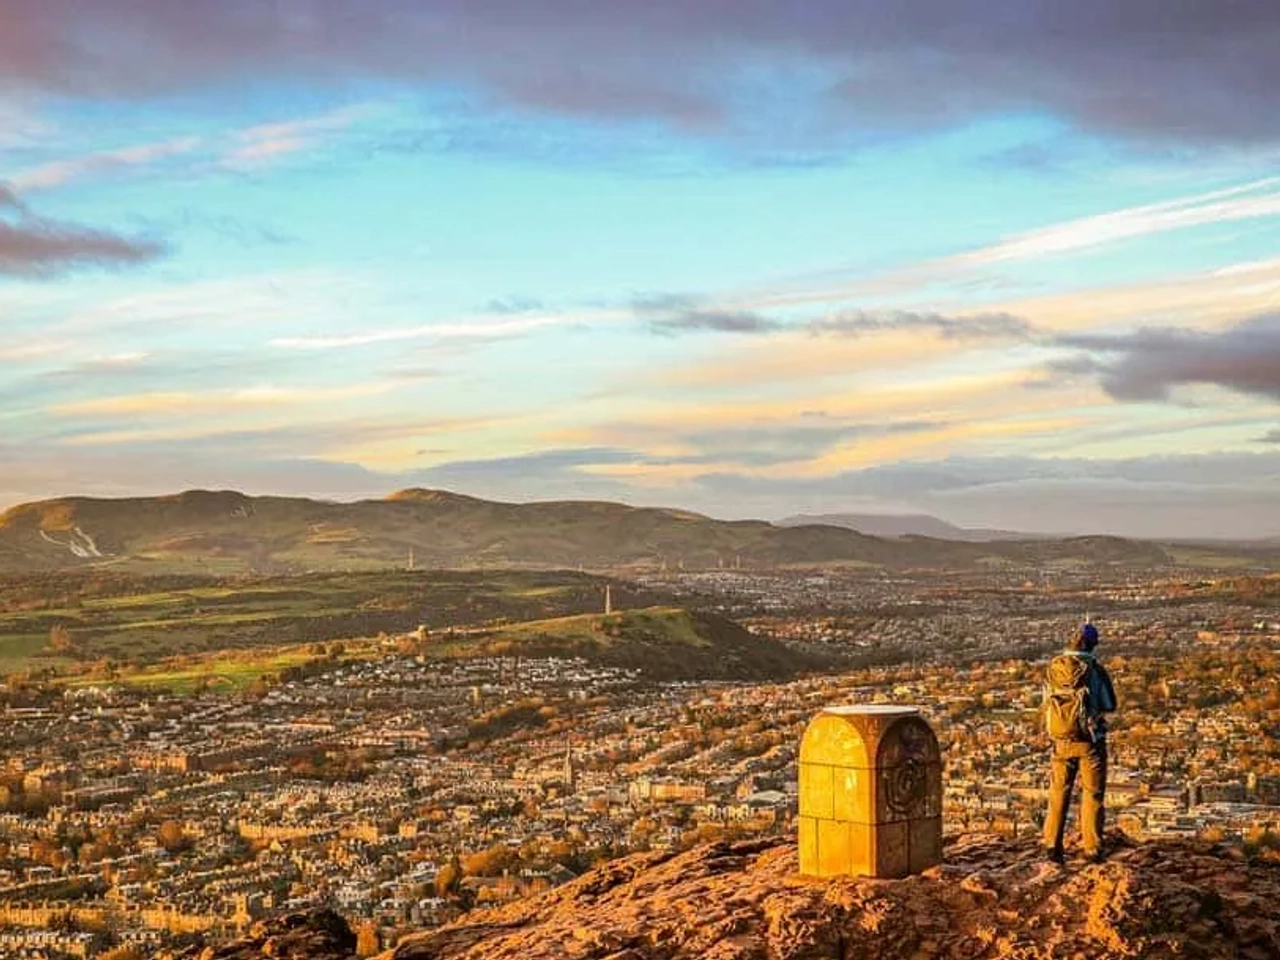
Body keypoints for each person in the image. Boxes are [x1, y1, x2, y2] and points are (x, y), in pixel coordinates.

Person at [1041, 622, 1117, 864]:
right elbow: (1109, 704)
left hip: (1060, 740)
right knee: (1092, 794)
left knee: (1058, 794)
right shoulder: (1094, 669)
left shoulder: (1053, 668)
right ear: (1092, 645)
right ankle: (1092, 848)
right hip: (1089, 740)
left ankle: (1052, 847)